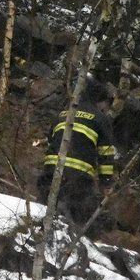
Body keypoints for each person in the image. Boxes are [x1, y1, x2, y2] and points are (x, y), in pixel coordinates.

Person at [37, 78, 116, 228]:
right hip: (78, 176)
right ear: (100, 101)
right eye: (106, 104)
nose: (106, 108)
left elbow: (51, 141)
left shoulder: (62, 114)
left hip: (51, 171)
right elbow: (105, 154)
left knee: (46, 209)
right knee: (79, 216)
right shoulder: (100, 119)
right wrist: (106, 182)